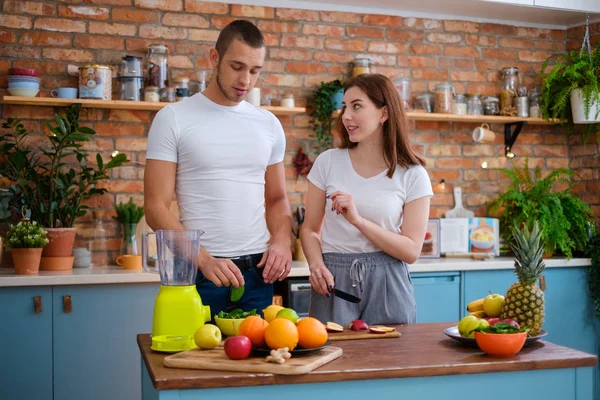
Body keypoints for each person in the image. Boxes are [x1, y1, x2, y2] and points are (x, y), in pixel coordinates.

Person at [144, 20, 292, 316]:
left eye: (254, 71)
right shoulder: (173, 118)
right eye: (237, 66)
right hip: (200, 273)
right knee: (196, 362)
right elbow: (155, 208)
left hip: (257, 274)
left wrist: (282, 241)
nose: (246, 80)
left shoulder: (269, 125)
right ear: (214, 58)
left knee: (260, 362)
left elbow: (276, 199)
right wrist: (203, 260)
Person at [300, 73, 433, 326]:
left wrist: (358, 220)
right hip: (333, 279)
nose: (346, 116)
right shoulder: (328, 162)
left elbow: (411, 250)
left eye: (356, 106)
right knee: (332, 361)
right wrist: (316, 266)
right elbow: (309, 228)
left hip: (388, 281)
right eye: (344, 107)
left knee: (391, 361)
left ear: (383, 114)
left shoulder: (413, 174)